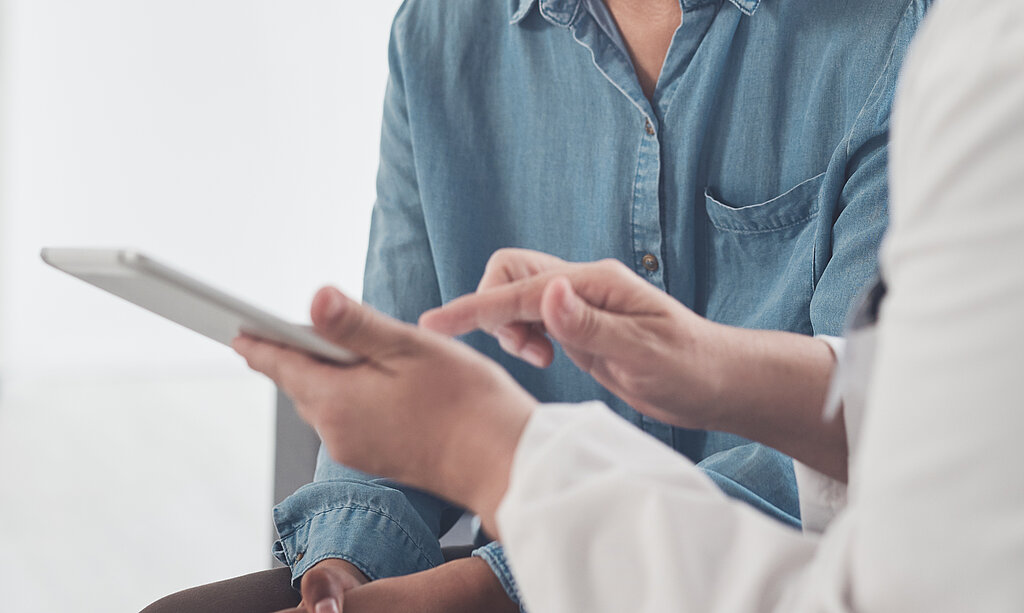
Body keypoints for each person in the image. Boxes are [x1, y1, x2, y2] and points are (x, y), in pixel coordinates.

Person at [234, 0, 1024, 609]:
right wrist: (341, 567)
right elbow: (396, 373)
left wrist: (499, 565)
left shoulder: (918, 40)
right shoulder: (439, 33)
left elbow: (879, 456)